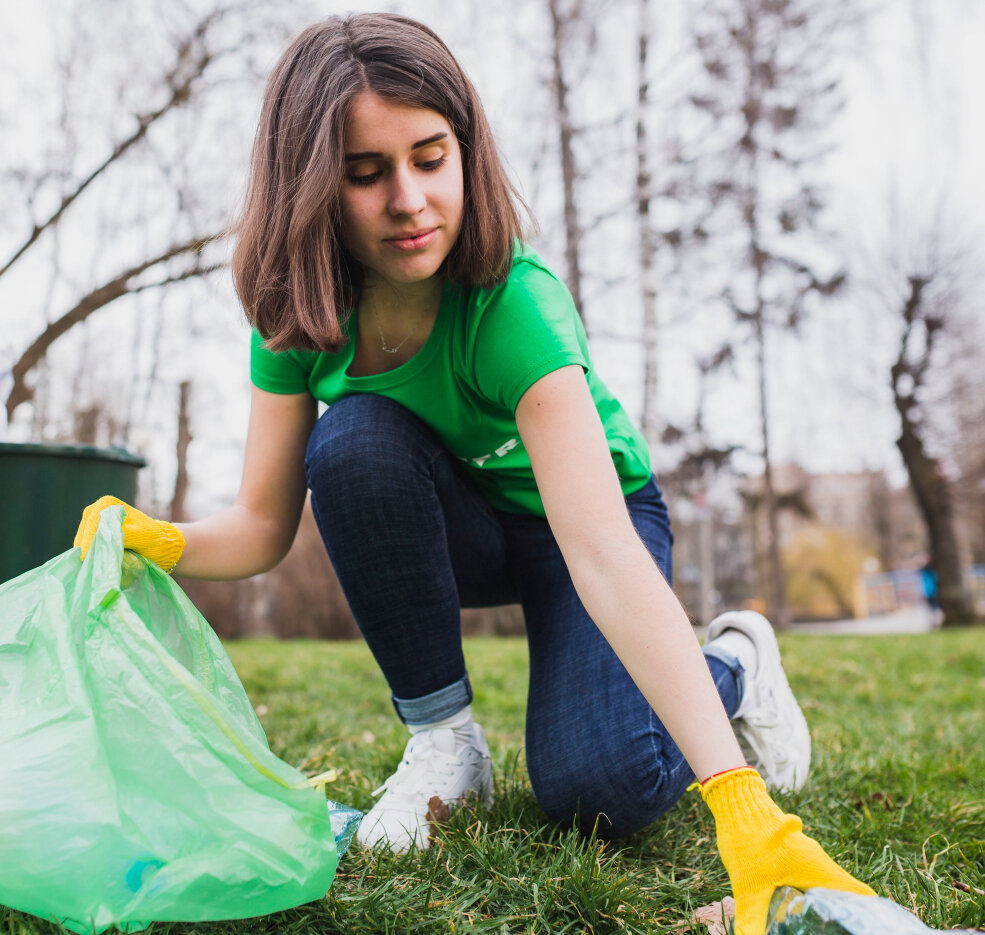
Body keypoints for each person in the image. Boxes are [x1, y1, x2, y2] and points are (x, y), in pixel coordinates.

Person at [73, 13, 875, 934]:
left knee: (602, 787)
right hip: (454, 526)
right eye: (366, 173)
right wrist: (156, 538)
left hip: (586, 524)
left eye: (429, 157)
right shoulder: (300, 319)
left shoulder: (513, 307)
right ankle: (445, 742)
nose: (409, 199)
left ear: (466, 150)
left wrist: (740, 804)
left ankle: (732, 663)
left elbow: (602, 552)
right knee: (353, 440)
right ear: (309, 189)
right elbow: (261, 526)